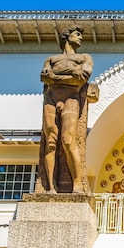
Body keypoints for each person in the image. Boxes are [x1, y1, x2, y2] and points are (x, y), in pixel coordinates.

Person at [40, 27, 94, 194]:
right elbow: (45, 77)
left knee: (68, 140)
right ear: (66, 37)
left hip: (71, 98)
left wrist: (56, 78)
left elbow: (81, 79)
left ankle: (77, 183)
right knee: (51, 141)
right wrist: (71, 73)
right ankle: (50, 186)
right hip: (51, 99)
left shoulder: (84, 58)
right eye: (77, 34)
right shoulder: (51, 59)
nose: (80, 38)